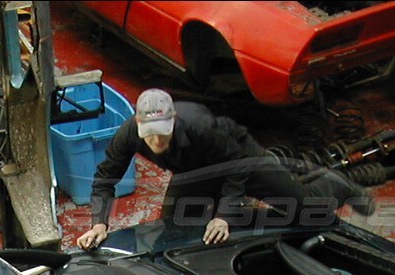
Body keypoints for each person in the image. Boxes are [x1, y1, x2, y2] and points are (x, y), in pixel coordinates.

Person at [76, 89, 375, 249]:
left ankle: (339, 186)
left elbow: (236, 167)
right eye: (149, 133)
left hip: (240, 158)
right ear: (138, 124)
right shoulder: (128, 133)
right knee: (172, 227)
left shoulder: (200, 126)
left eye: (163, 133)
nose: (156, 141)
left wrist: (222, 216)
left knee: (303, 208)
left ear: (174, 121)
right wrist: (99, 223)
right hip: (194, 170)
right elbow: (105, 177)